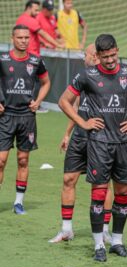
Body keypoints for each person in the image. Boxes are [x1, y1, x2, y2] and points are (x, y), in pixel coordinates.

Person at [58, 34, 127, 261]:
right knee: (99, 193)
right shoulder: (86, 75)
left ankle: (117, 241)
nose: (110, 60)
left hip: (123, 143)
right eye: (105, 57)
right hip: (99, 143)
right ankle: (99, 245)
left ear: (117, 51)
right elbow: (64, 100)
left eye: (113, 55)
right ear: (97, 56)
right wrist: (82, 123)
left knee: (123, 192)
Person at [49, 44, 113, 243]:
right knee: (69, 179)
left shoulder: (110, 78)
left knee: (104, 184)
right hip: (79, 137)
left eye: (84, 54)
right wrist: (68, 133)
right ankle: (67, 229)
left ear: (94, 56)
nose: (82, 57)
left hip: (101, 138)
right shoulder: (83, 76)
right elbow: (74, 106)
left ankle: (104, 230)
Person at [0, 25, 50, 214]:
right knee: (1, 160)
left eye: (26, 38)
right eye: (20, 37)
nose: (23, 40)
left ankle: (18, 202)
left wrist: (38, 101)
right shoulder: (3, 59)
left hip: (27, 117)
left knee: (23, 160)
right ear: (12, 38)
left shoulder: (36, 60)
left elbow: (46, 82)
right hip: (5, 116)